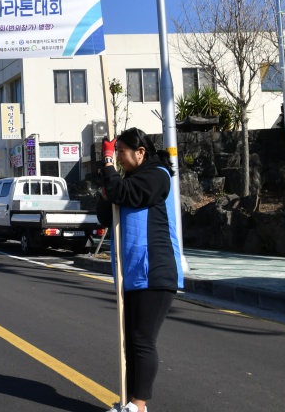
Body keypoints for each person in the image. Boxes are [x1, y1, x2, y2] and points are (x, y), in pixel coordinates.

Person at [97, 128, 183, 412]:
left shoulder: (158, 176)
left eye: (121, 152)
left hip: (155, 271)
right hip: (132, 273)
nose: (118, 158)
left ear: (141, 152)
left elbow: (124, 193)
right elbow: (104, 215)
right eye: (116, 152)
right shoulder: (129, 181)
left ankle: (139, 404)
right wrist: (106, 190)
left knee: (143, 340)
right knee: (130, 342)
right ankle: (129, 401)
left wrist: (107, 165)